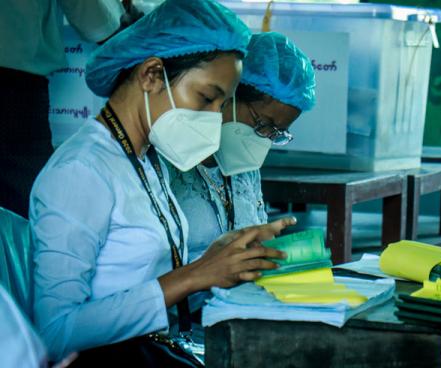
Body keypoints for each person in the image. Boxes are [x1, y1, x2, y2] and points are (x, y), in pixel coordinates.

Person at [29, 0, 294, 363]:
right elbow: (55, 333)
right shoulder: (81, 171)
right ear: (152, 74)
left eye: (222, 105)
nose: (215, 119)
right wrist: (194, 276)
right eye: (206, 98)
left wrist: (219, 257)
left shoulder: (145, 161)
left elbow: (144, 278)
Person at [170, 32, 316, 263]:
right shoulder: (170, 164)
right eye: (265, 124)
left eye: (277, 133)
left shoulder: (243, 166)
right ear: (229, 95)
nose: (265, 138)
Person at [0, 0, 125, 218]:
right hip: (13, 92)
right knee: (24, 210)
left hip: (15, 90)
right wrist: (124, 26)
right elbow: (94, 20)